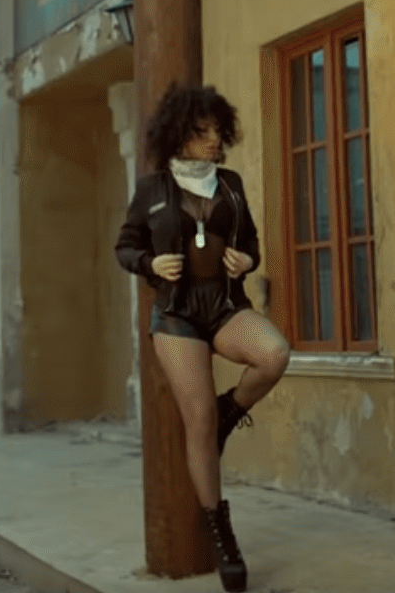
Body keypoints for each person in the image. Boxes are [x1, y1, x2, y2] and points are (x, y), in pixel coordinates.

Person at [115, 83, 291, 593]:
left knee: (275, 354)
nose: (213, 140)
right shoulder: (151, 190)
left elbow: (251, 241)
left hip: (225, 304)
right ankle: (221, 532)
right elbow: (125, 246)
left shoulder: (229, 184)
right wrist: (150, 263)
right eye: (201, 132)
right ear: (178, 135)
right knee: (198, 419)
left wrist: (247, 259)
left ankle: (231, 410)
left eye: (217, 131)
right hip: (176, 314)